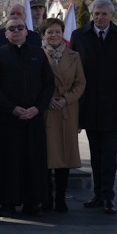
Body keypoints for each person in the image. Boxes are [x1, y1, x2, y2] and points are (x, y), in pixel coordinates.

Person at [70, 0, 117, 214]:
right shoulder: (79, 36)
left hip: (113, 105)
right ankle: (97, 195)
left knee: (109, 154)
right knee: (95, 154)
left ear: (112, 15)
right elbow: (74, 71)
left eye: (104, 14)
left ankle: (108, 196)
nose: (100, 17)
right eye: (96, 13)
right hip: (88, 104)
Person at [0, 15, 54, 216]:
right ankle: (7, 203)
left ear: (26, 31)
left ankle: (33, 203)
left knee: (34, 161)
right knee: (9, 162)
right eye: (12, 28)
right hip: (9, 119)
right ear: (6, 34)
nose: (16, 31)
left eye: (20, 28)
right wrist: (11, 108)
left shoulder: (38, 54)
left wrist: (37, 108)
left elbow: (49, 84)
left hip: (34, 118)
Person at [41, 17, 85, 213]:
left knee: (64, 155)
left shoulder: (74, 56)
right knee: (47, 155)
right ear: (43, 35)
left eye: (57, 31)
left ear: (63, 34)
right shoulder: (38, 55)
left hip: (67, 109)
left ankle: (60, 196)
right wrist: (47, 98)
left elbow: (80, 83)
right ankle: (46, 196)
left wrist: (66, 99)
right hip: (47, 110)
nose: (54, 35)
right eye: (49, 32)